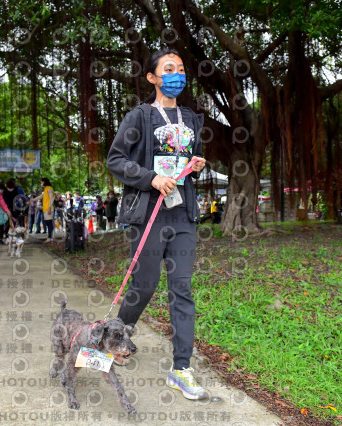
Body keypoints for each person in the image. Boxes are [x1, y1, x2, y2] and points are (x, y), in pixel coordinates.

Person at [107, 48, 208, 400]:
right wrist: (150, 178)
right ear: (152, 77)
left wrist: (195, 165)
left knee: (182, 288)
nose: (177, 73)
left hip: (182, 214)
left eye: (181, 68)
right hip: (148, 213)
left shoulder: (192, 119)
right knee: (145, 284)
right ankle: (117, 336)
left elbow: (183, 159)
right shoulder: (140, 116)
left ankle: (182, 368)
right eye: (169, 69)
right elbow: (116, 159)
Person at [31, 177, 55, 243]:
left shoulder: (49, 189)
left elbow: (51, 198)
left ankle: (50, 237)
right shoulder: (46, 189)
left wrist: (49, 208)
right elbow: (40, 197)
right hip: (46, 209)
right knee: (48, 223)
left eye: (41, 182)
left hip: (48, 209)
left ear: (44, 182)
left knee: (49, 223)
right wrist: (32, 200)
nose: (41, 183)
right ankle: (50, 237)